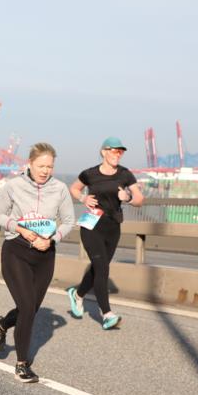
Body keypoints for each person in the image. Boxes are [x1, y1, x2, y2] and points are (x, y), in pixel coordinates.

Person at [0, 143, 75, 383]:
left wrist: (53, 239)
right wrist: (19, 229)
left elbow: (69, 220)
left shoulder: (59, 189)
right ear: (30, 164)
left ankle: (3, 324)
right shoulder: (14, 186)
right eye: (41, 166)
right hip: (17, 250)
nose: (45, 171)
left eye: (50, 166)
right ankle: (22, 364)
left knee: (32, 309)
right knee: (27, 307)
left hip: (45, 254)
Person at [67, 137, 144, 329]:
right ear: (103, 152)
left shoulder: (125, 174)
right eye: (114, 151)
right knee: (102, 269)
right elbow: (74, 188)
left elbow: (139, 199)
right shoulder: (90, 174)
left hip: (112, 227)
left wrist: (126, 197)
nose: (117, 154)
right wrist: (83, 198)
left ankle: (77, 295)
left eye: (121, 152)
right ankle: (107, 314)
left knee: (98, 267)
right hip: (91, 226)